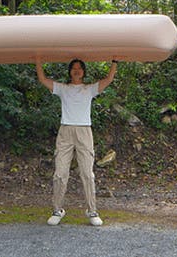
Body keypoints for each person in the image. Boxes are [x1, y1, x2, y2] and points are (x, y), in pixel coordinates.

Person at [35, 57, 118, 226]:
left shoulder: (90, 89)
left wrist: (115, 60)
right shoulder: (63, 88)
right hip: (65, 131)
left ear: (84, 72)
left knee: (87, 173)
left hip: (84, 131)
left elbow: (109, 79)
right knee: (60, 173)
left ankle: (92, 211)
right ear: (70, 71)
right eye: (74, 68)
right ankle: (57, 210)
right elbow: (42, 79)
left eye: (80, 68)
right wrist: (37, 59)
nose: (77, 70)